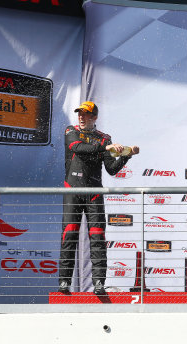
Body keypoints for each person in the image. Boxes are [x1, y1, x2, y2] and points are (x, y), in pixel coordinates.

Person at [59, 101, 139, 295]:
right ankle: (64, 282)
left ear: (94, 117)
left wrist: (126, 155)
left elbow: (111, 170)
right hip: (72, 191)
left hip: (94, 193)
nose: (81, 117)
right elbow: (77, 147)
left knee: (97, 237)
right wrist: (106, 147)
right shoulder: (71, 130)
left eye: (86, 114)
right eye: (80, 113)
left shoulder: (105, 138)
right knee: (69, 234)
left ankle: (99, 283)